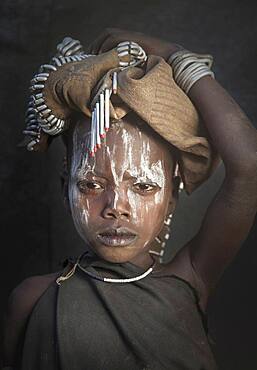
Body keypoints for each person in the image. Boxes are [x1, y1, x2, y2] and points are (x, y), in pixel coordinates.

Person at [2, 28, 257, 370]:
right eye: (92, 184)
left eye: (143, 186)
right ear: (66, 190)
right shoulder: (31, 300)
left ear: (171, 198)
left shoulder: (189, 280)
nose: (116, 208)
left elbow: (249, 164)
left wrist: (175, 54)